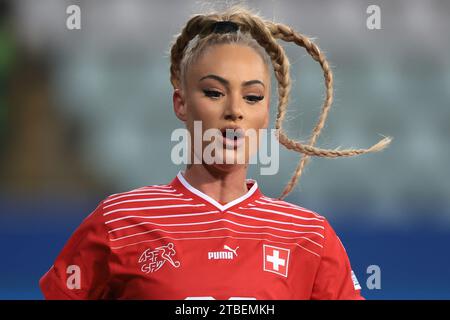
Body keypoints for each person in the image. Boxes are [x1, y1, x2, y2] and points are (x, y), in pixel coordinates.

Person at [40, 5, 391, 300]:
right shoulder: (118, 221)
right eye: (213, 92)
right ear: (181, 103)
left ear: (266, 113)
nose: (235, 110)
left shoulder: (309, 237)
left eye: (252, 96)